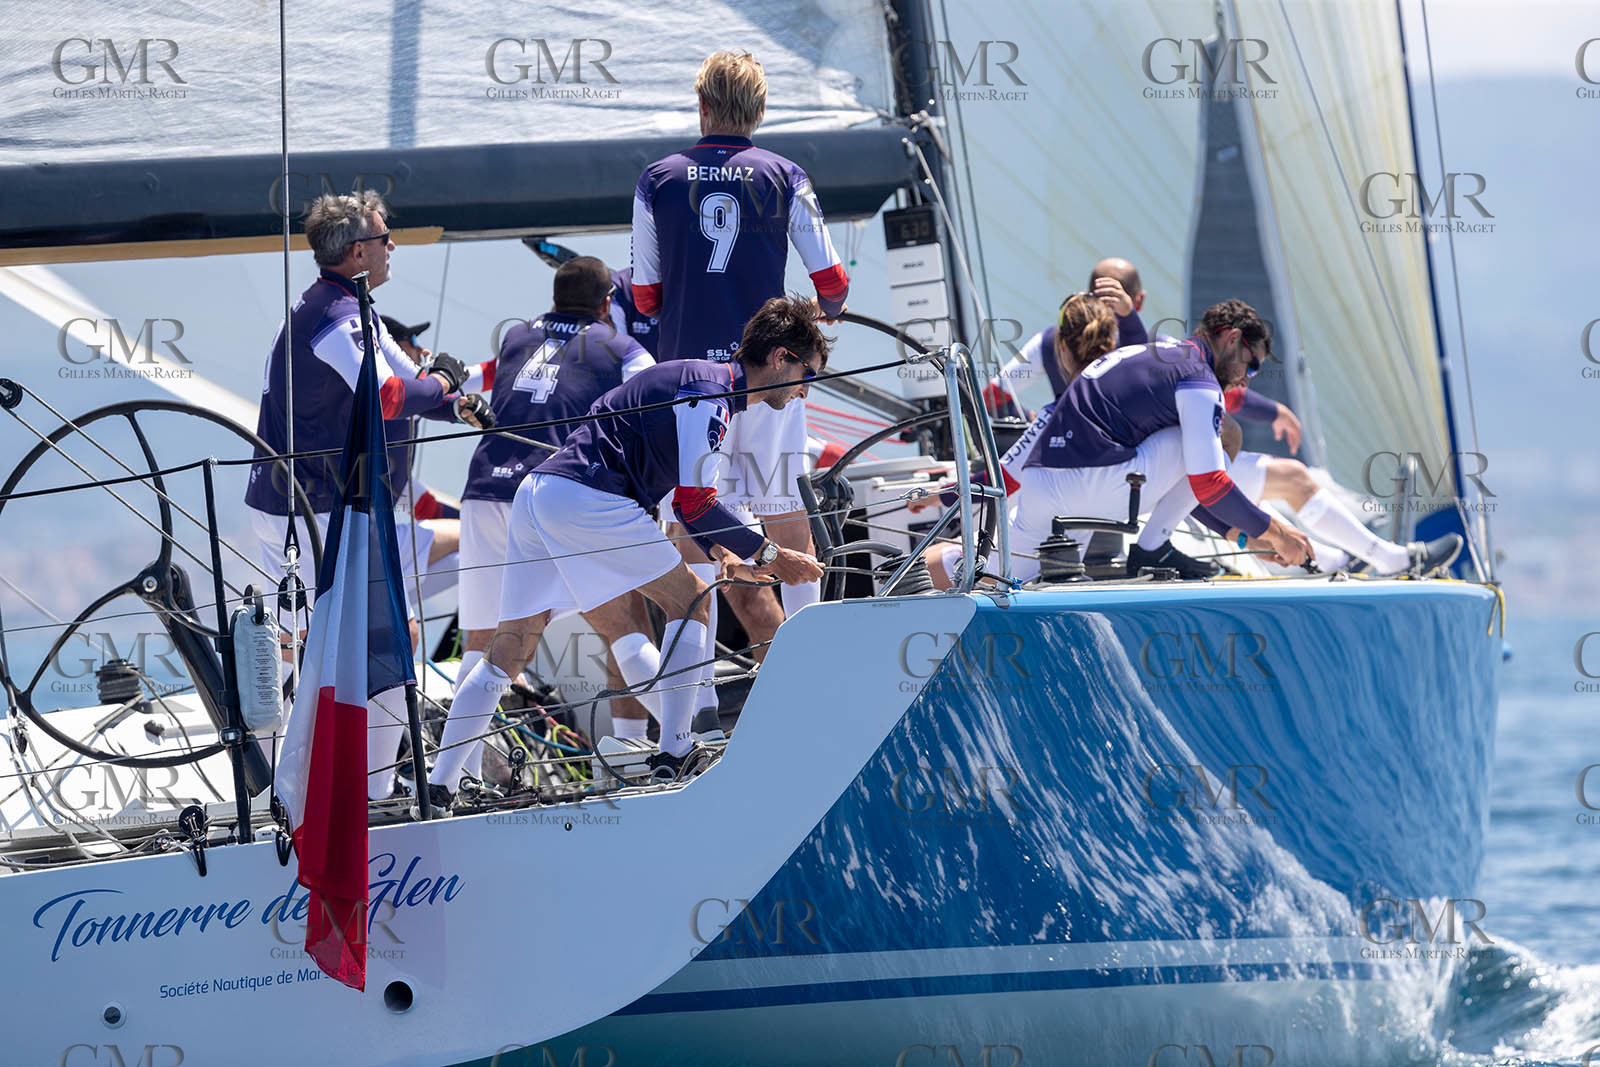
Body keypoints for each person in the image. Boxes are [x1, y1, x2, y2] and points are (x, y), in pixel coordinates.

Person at [441, 296, 826, 789]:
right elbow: (693, 503)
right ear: (780, 358)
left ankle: (440, 784)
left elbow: (688, 501)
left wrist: (725, 553)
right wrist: (771, 554)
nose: (805, 395)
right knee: (691, 600)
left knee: (508, 650)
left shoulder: (702, 380)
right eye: (808, 378)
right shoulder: (711, 395)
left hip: (539, 496)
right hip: (588, 496)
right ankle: (677, 749)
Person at [244, 190, 491, 801]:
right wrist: (442, 382)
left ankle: (371, 793)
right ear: (358, 251)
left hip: (329, 508)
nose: (392, 248)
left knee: (381, 643)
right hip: (306, 512)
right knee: (328, 651)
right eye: (386, 239)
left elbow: (408, 386)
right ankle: (303, 798)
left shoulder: (353, 305)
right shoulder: (334, 318)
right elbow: (387, 395)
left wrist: (457, 401)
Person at [629, 49, 849, 708]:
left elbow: (644, 296)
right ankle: (811, 693)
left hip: (691, 389)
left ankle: (690, 716)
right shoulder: (786, 174)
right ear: (759, 111)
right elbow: (833, 287)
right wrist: (807, 320)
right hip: (770, 378)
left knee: (691, 544)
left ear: (701, 107)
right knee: (788, 526)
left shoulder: (658, 179)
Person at [433, 256, 659, 804]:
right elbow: (652, 403)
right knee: (624, 622)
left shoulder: (515, 337)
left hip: (485, 491)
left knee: (484, 644)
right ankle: (647, 752)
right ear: (608, 302)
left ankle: (455, 778)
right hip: (555, 495)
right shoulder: (621, 347)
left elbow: (474, 381)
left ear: (554, 298)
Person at [985, 300, 1316, 583]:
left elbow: (1186, 488)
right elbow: (1208, 483)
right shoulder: (1198, 377)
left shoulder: (1151, 351)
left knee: (990, 578)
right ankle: (1151, 551)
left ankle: (936, 564)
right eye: (1252, 365)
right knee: (1227, 433)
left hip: (1041, 486)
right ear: (1232, 339)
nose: (1247, 378)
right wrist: (1279, 534)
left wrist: (1245, 537)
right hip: (1093, 489)